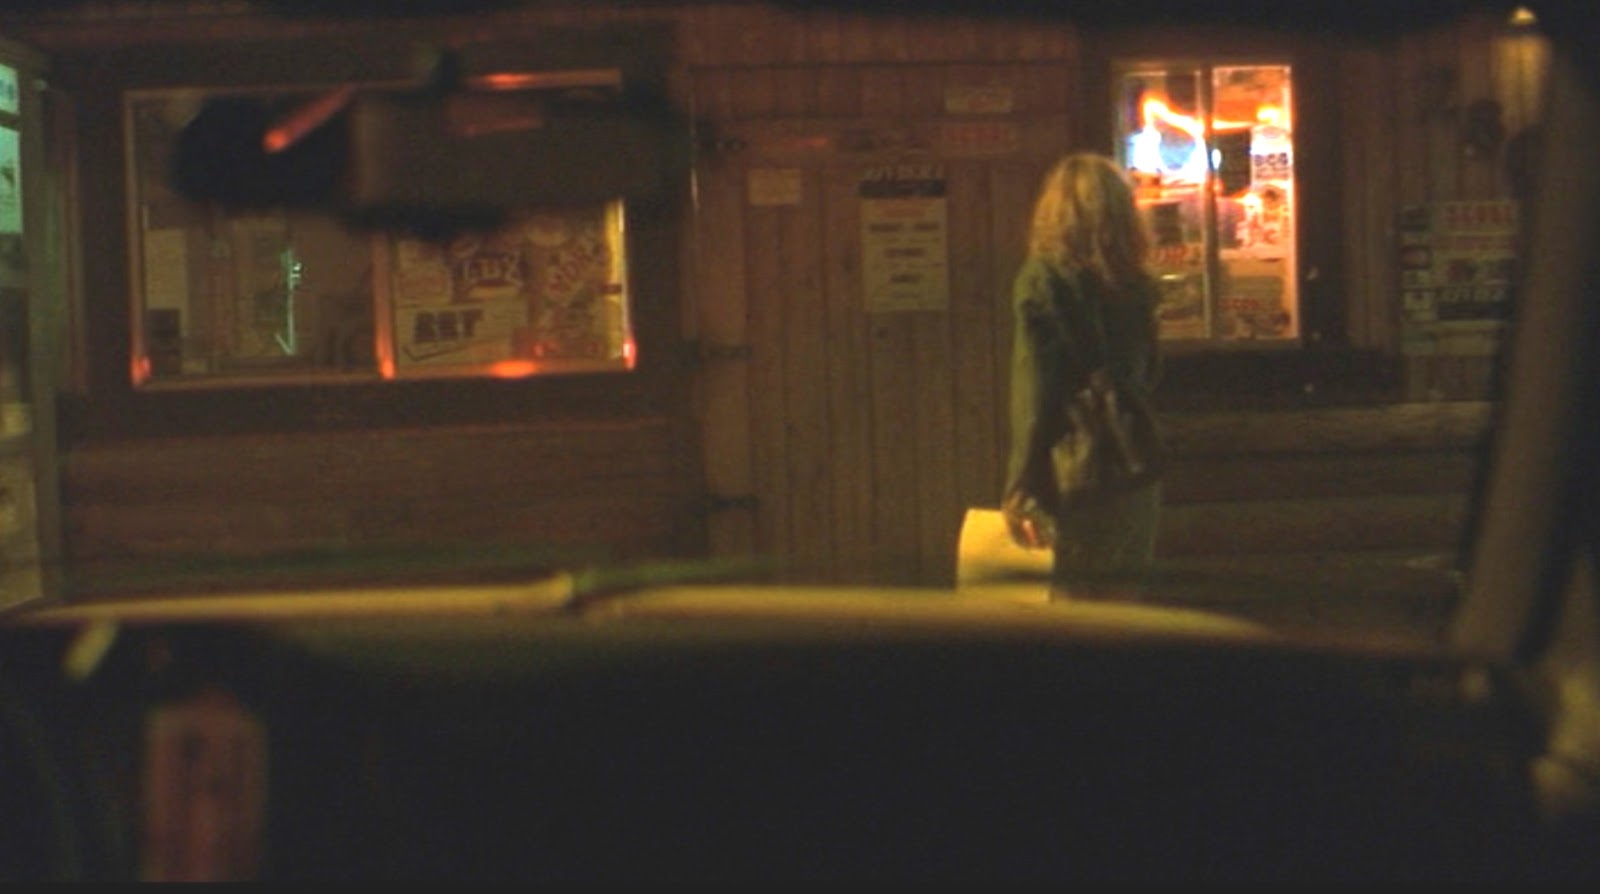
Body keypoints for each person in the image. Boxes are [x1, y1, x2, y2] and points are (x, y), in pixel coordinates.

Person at [1001, 153, 1164, 601]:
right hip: (1136, 462)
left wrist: (1020, 482)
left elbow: (1035, 390)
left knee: (1072, 610)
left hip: (1073, 469)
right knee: (1121, 608)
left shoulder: (1043, 280)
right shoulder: (1139, 285)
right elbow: (1150, 373)